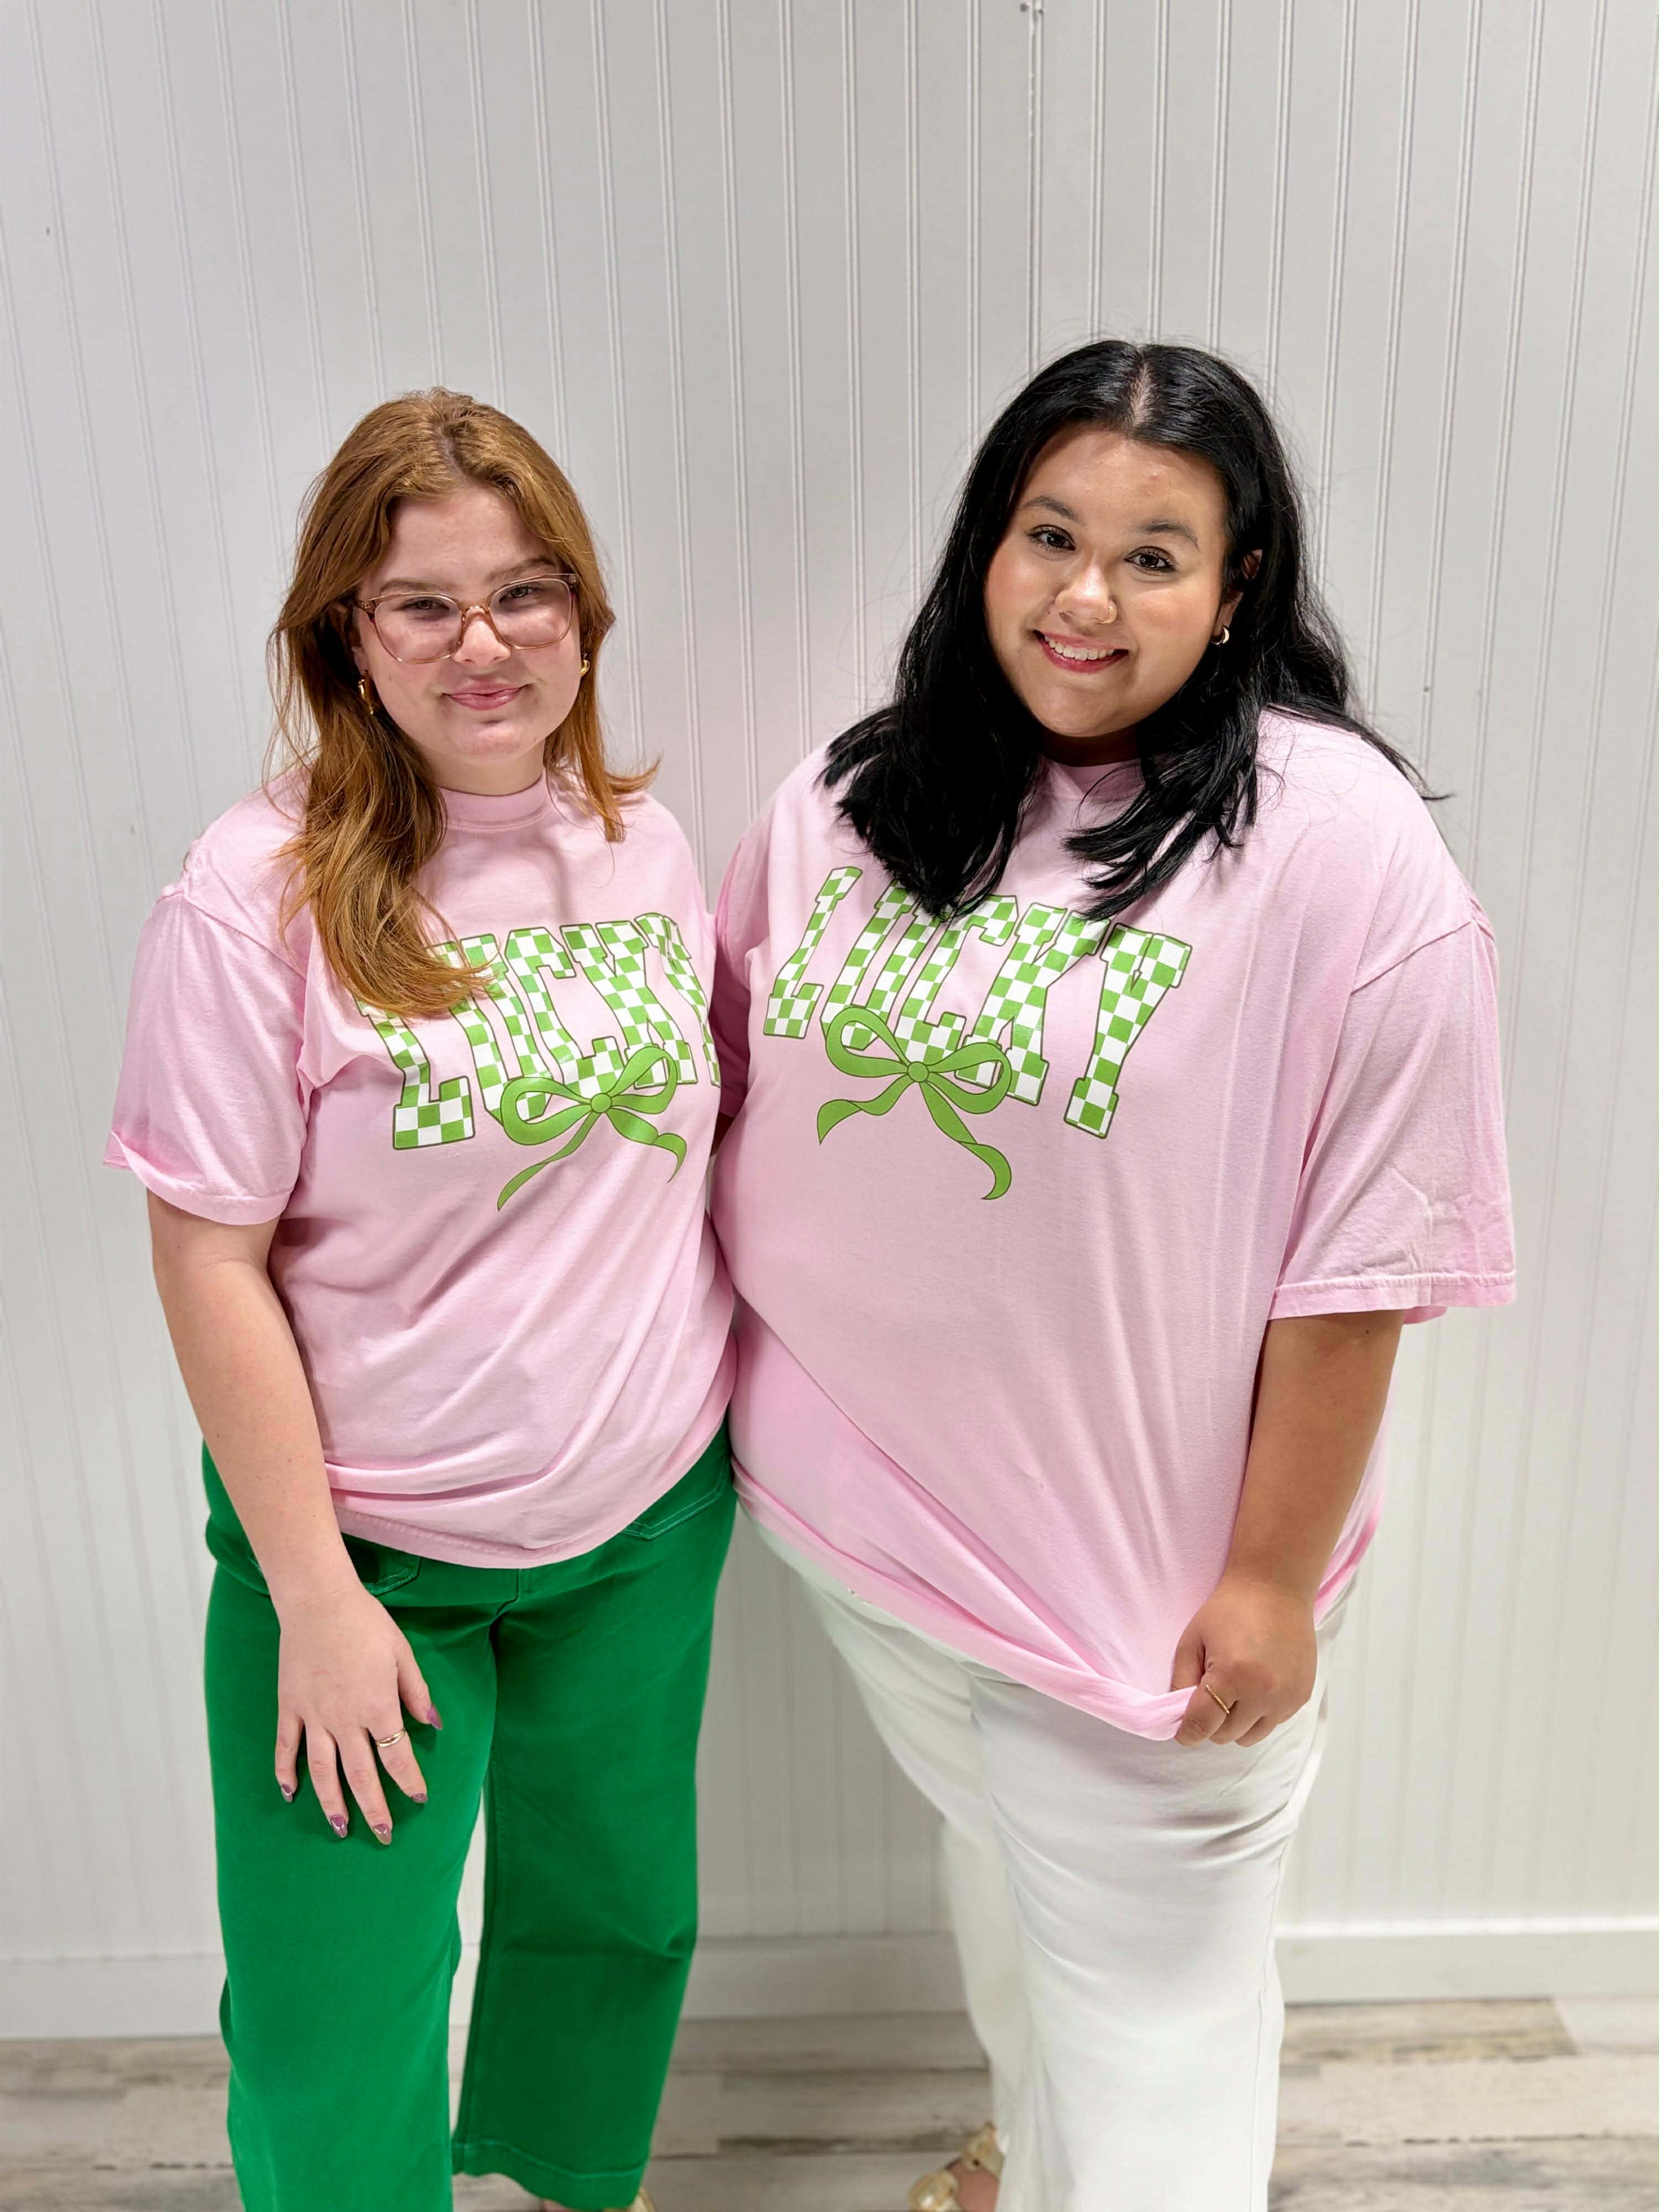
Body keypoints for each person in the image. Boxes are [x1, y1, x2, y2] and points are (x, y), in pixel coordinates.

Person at [709, 341, 1514, 2212]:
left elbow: (1363, 1258)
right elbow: (731, 1087)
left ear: (1239, 590)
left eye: (1155, 556)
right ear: (984, 546)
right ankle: (1032, 2151)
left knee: (1163, 2050)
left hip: (1143, 1593)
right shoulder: (851, 797)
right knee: (1002, 1880)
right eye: (1050, 534)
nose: (1087, 596)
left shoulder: (1333, 843)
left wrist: (1270, 1579)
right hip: (864, 1538)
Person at [106, 390, 734, 2212]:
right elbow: (207, 1254)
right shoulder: (253, 894)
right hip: (368, 1553)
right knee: (332, 2007)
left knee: (616, 1918)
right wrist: (313, 1594)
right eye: (424, 605)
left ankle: (559, 2184)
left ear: (584, 617)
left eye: (526, 593)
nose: (485, 644)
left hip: (638, 1523)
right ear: (348, 639)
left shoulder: (643, 845)